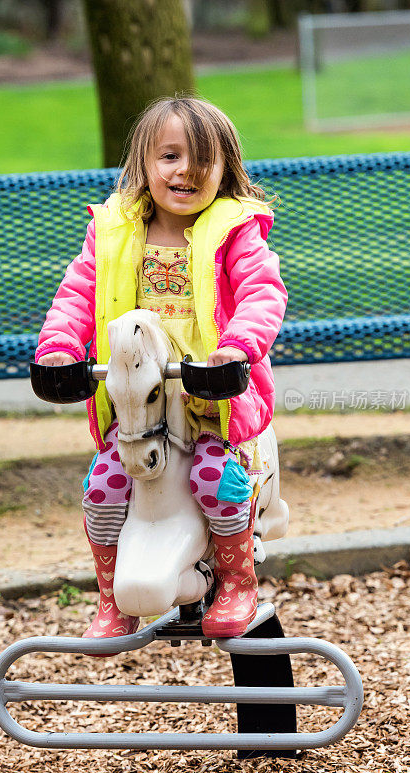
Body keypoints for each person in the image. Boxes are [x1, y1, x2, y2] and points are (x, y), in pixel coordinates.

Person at [36, 96, 287, 642]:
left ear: (226, 170)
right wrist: (58, 347)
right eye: (169, 156)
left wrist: (237, 349)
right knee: (103, 487)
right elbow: (79, 293)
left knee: (215, 480)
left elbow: (262, 291)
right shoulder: (114, 232)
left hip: (210, 395)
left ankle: (236, 580)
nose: (186, 170)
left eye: (202, 159)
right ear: (143, 165)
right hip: (138, 398)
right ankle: (110, 596)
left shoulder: (234, 232)